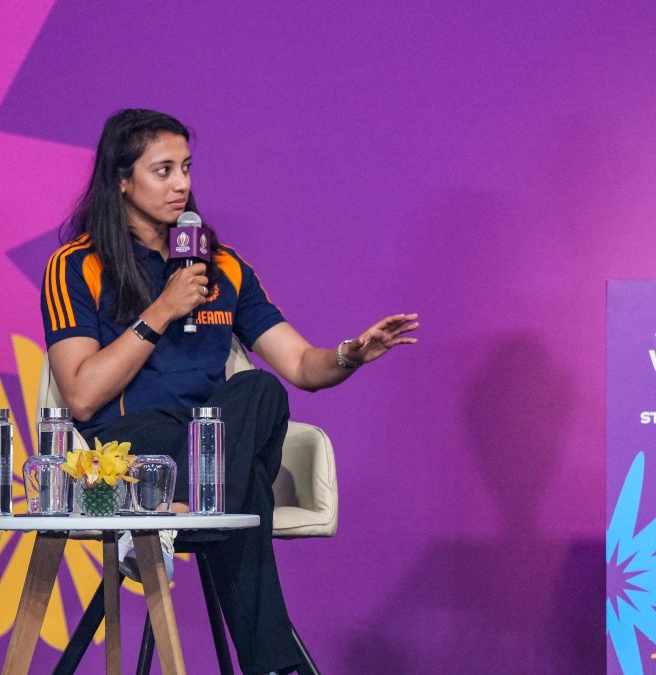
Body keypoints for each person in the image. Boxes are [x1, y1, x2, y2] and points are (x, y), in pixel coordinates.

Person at [42, 109, 418, 675]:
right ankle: (274, 666)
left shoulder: (223, 267)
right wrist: (162, 310)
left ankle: (168, 517)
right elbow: (81, 396)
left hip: (212, 448)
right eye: (163, 170)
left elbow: (301, 365)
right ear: (121, 179)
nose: (181, 184)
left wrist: (350, 354)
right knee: (244, 492)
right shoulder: (77, 265)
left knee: (259, 391)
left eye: (186, 168)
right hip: (129, 452)